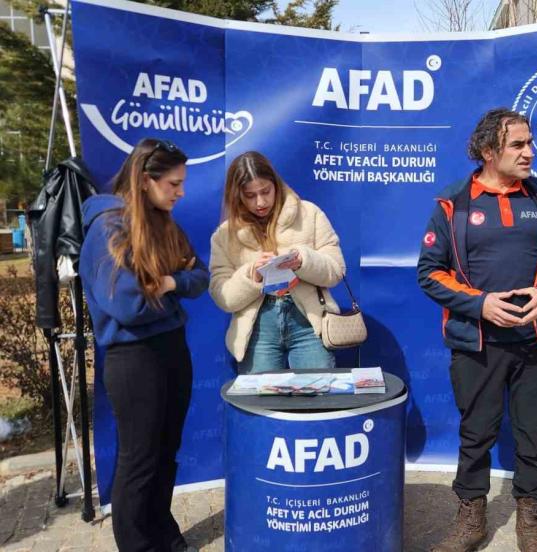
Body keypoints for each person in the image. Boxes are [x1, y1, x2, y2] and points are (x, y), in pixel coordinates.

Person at [417, 108, 537, 552]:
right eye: (518, 145)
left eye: (530, 143)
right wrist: (481, 305)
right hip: (477, 345)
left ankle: (530, 521)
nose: (530, 152)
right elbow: (430, 273)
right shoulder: (454, 203)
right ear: (489, 151)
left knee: (533, 436)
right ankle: (471, 520)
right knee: (475, 436)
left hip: (536, 342)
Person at [79, 138, 209, 552]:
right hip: (134, 357)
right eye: (173, 183)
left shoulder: (165, 224)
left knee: (166, 451)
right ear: (144, 180)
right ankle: (138, 544)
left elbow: (200, 277)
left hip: (173, 350)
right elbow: (128, 305)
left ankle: (161, 531)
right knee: (140, 459)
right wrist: (171, 291)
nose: (181, 192)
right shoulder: (108, 228)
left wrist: (168, 282)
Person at [209, 151, 345, 372]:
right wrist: (252, 275)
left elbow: (336, 271)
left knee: (316, 391)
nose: (260, 202)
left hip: (309, 323)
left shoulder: (309, 214)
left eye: (266, 191)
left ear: (276, 185)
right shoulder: (224, 235)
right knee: (261, 394)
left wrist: (302, 260)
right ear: (237, 195)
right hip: (257, 329)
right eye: (250, 195)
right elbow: (222, 296)